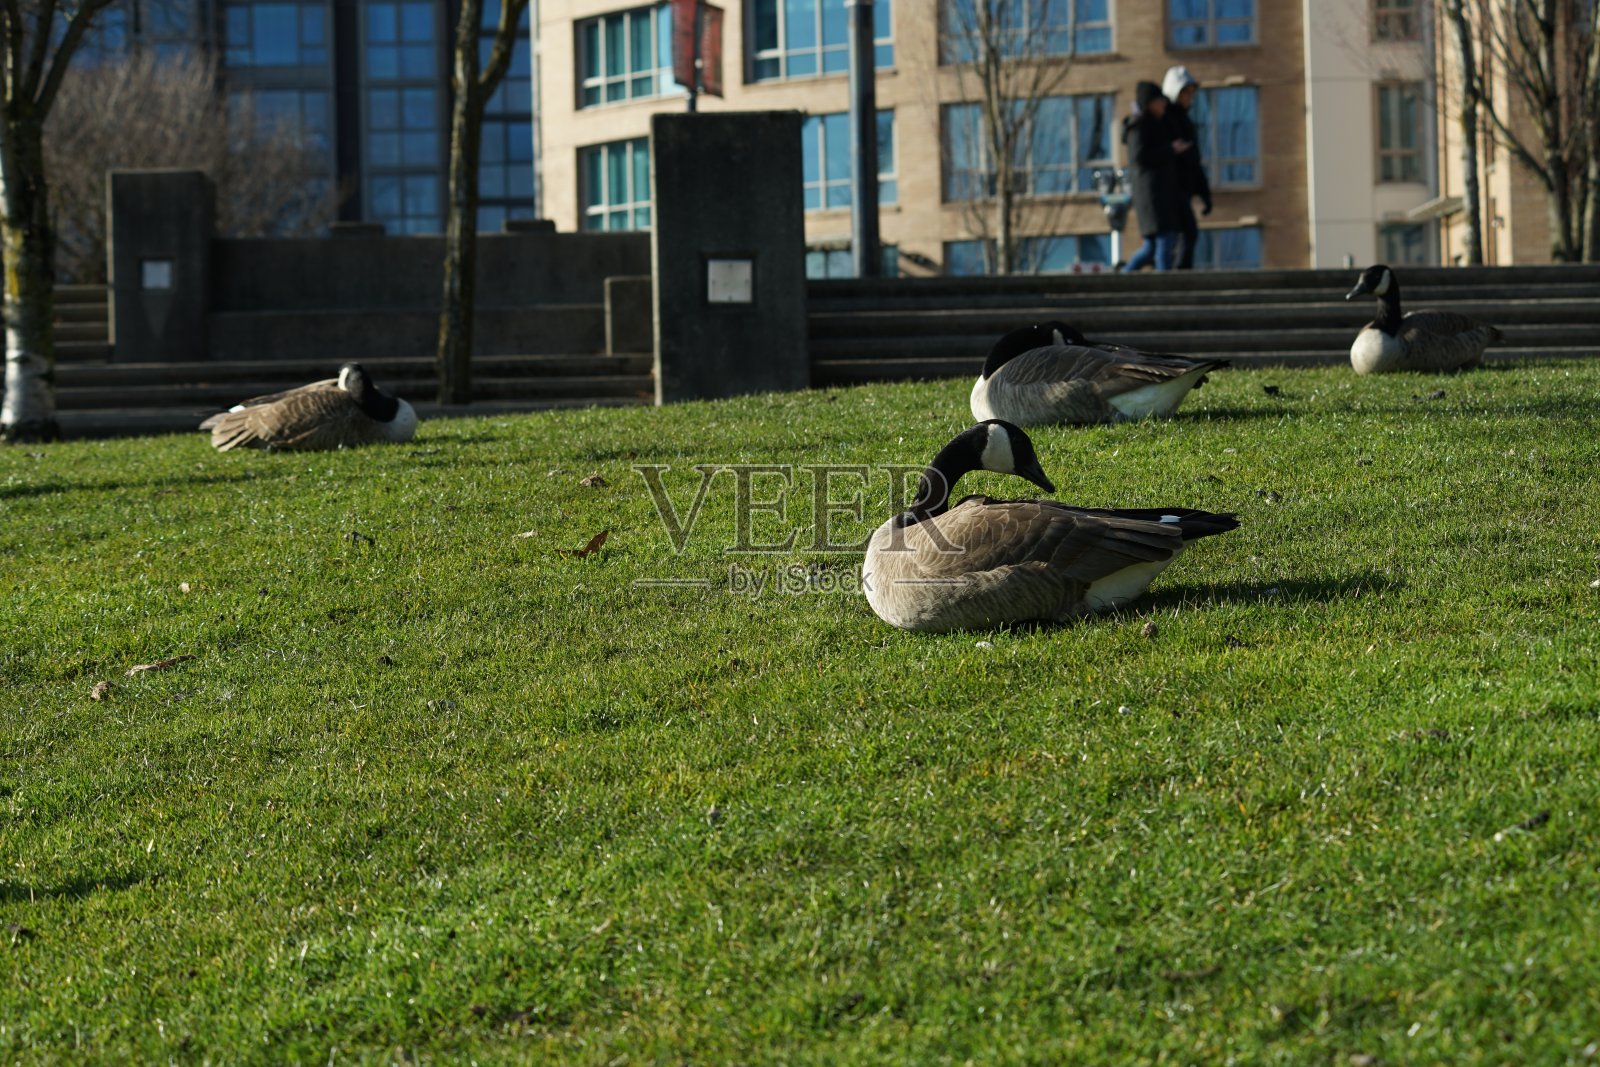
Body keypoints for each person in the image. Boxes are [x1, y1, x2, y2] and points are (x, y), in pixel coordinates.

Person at [1120, 81, 1183, 273]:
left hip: (1157, 193)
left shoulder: (1154, 124)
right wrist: (1170, 149)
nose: (1163, 104)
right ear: (1149, 102)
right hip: (1152, 196)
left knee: (1151, 247)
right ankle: (1165, 287)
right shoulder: (1139, 127)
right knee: (1164, 240)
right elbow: (1140, 157)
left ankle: (1123, 278)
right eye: (1159, 100)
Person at [1162, 66, 1214, 271]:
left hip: (1183, 187)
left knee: (1183, 234)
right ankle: (1178, 276)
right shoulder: (1164, 120)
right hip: (1170, 188)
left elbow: (1193, 160)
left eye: (1191, 94)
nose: (1189, 98)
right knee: (1180, 234)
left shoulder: (1186, 122)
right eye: (1185, 93)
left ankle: (1179, 273)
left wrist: (1204, 193)